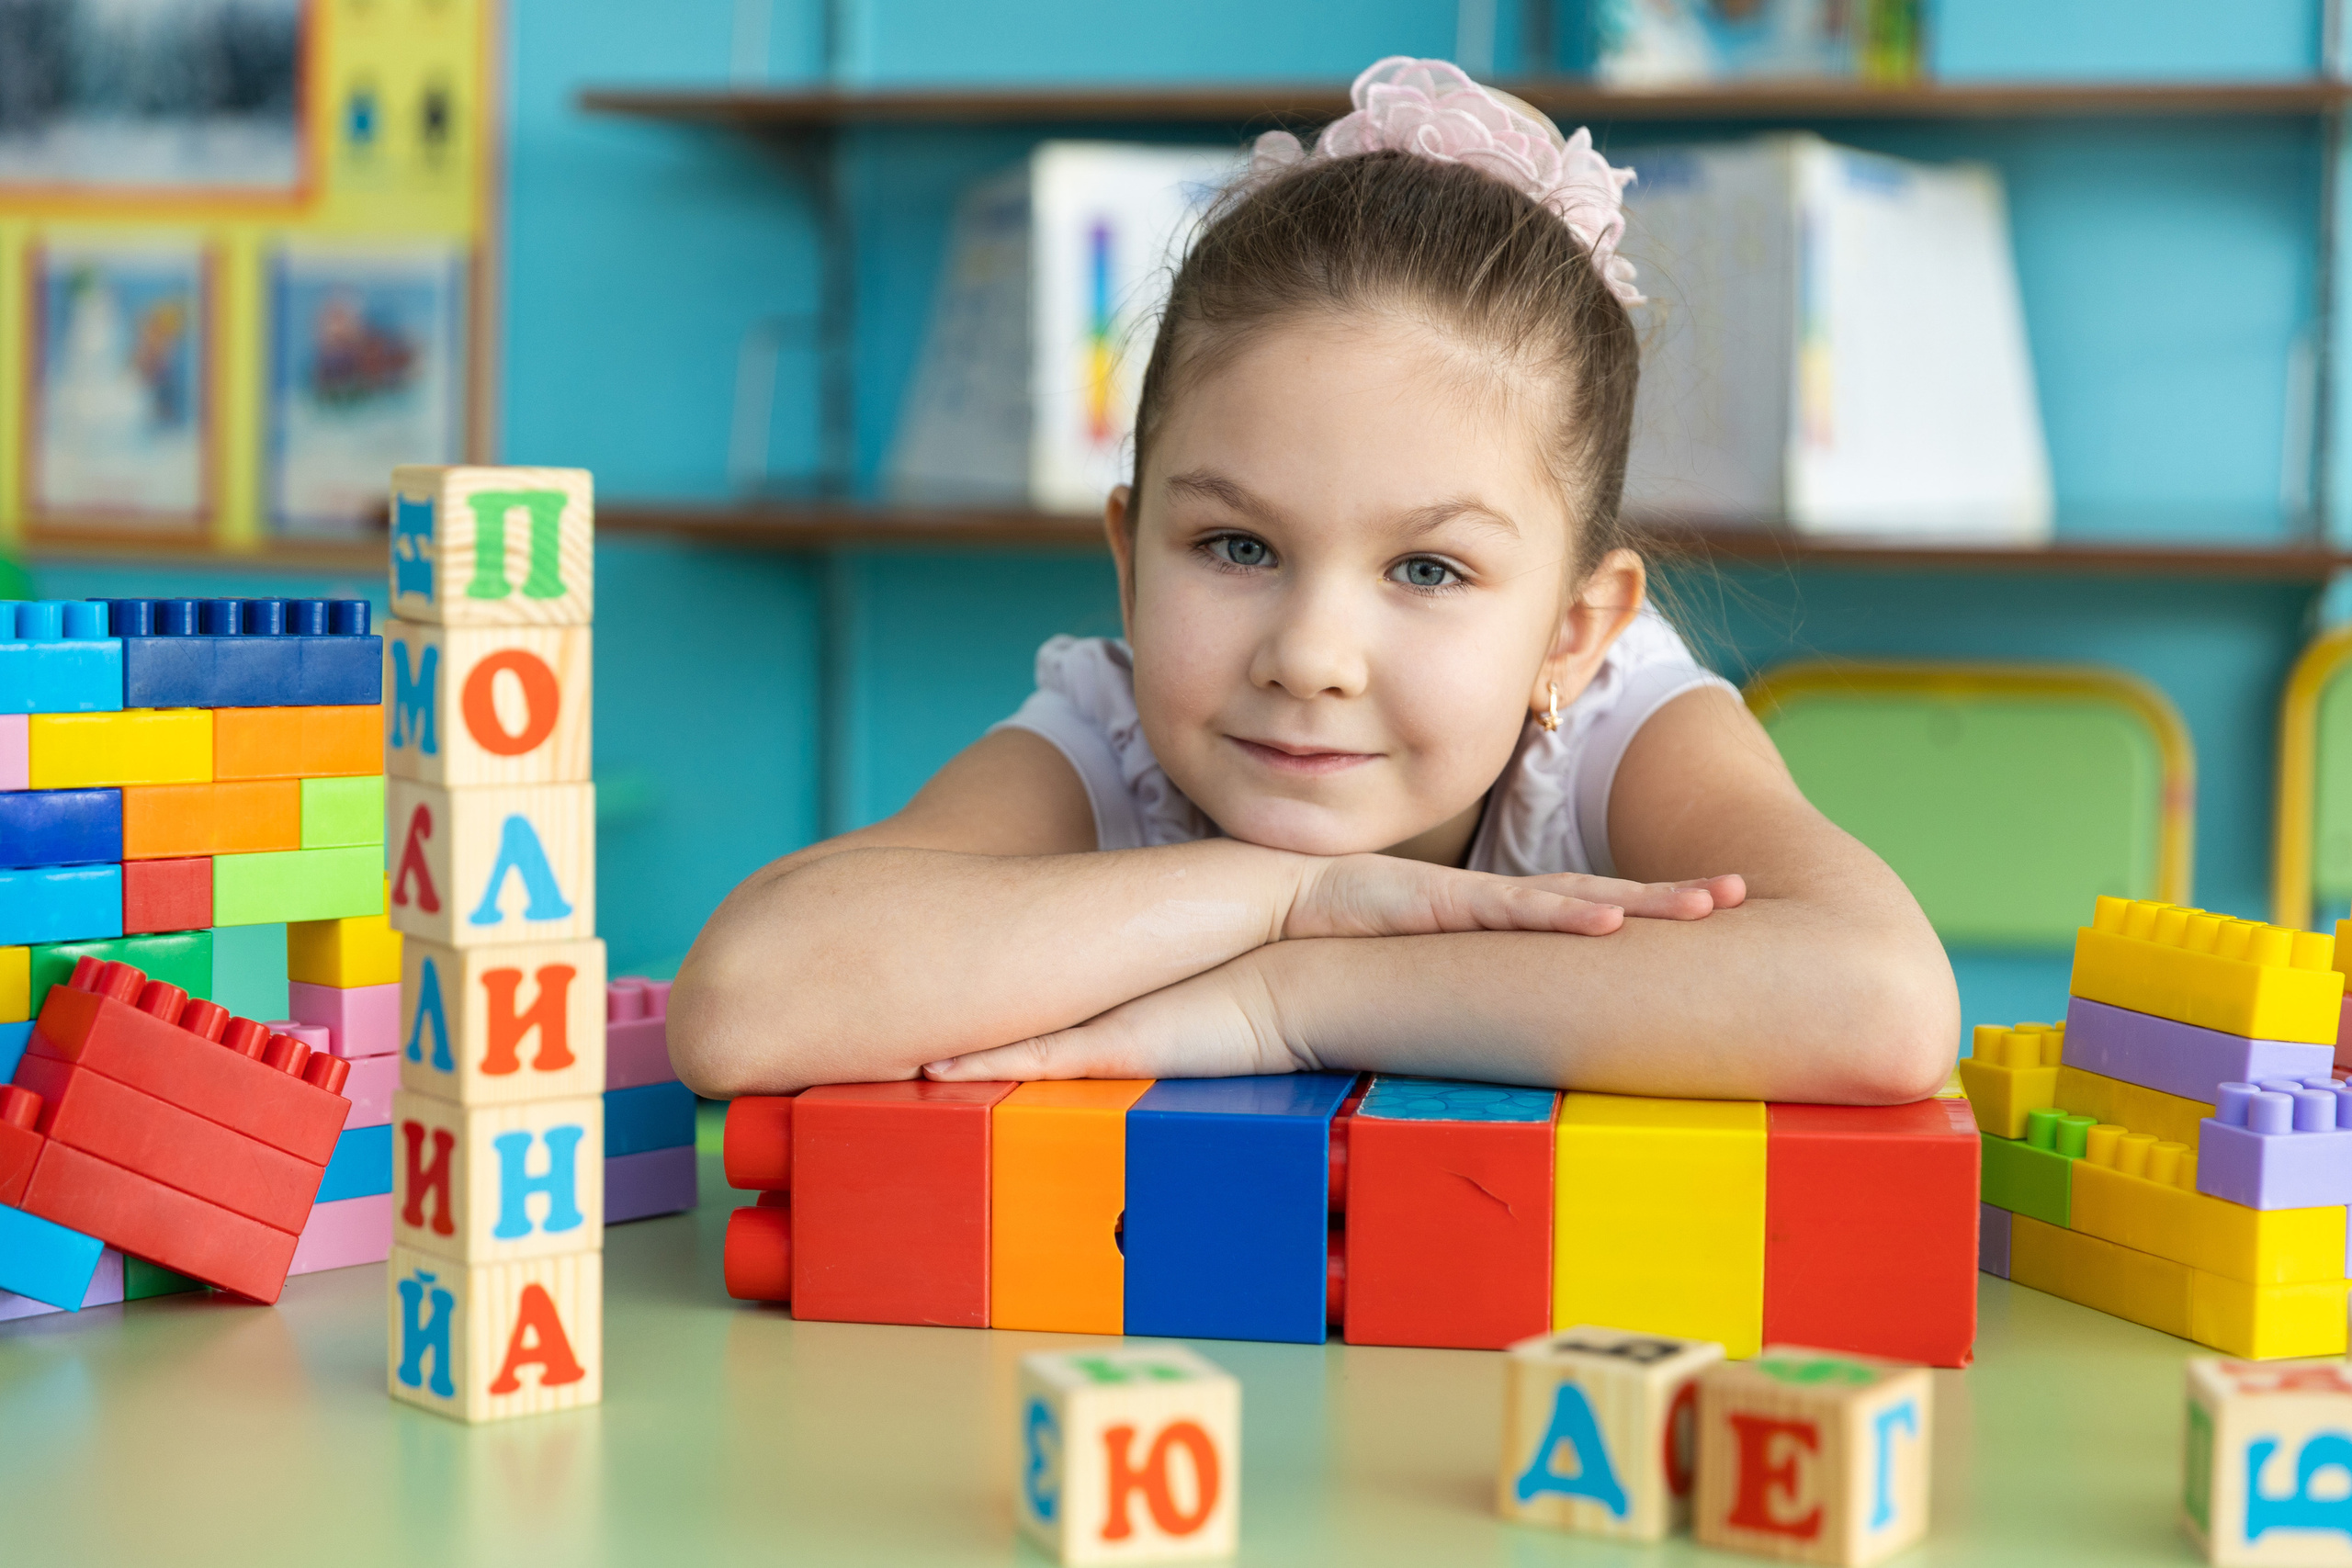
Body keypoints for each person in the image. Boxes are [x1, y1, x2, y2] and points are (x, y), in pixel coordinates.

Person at [670, 58, 1956, 1102]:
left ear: (1574, 631)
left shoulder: (1620, 729)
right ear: (1129, 562)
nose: (1311, 655)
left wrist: (1293, 995)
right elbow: (748, 1003)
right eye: (1237, 548)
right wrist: (1291, 892)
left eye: (1429, 567)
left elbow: (1881, 1005)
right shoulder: (1109, 736)